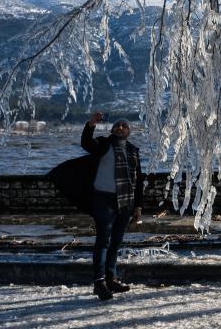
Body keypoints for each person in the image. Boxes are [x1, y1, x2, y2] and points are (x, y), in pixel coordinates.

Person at [81, 112, 144, 301]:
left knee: (115, 242)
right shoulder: (103, 144)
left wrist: (138, 206)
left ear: (129, 131)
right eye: (117, 125)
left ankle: (111, 278)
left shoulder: (133, 150)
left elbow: (138, 180)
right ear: (112, 129)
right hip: (104, 199)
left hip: (125, 202)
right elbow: (86, 144)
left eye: (124, 126)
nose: (120, 128)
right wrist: (91, 125)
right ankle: (99, 283)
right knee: (103, 241)